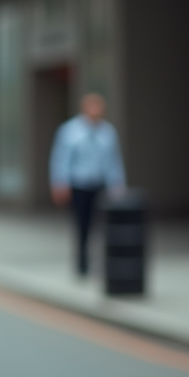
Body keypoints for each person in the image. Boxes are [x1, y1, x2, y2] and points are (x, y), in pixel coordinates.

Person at [49, 93, 126, 276]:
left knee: (99, 225)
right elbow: (61, 159)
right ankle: (82, 263)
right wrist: (59, 183)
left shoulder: (108, 132)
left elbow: (113, 161)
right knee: (81, 225)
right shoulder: (70, 131)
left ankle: (98, 261)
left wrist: (117, 184)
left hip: (99, 184)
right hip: (79, 185)